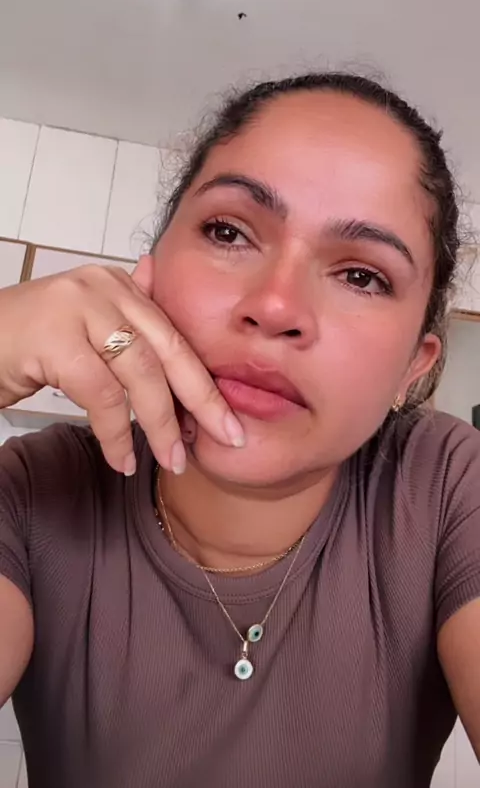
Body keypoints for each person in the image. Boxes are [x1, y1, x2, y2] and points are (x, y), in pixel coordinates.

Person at [0, 72, 479, 788]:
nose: (276, 306)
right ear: (147, 276)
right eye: (228, 232)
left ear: (413, 367)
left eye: (361, 276)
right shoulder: (35, 488)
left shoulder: (447, 488)